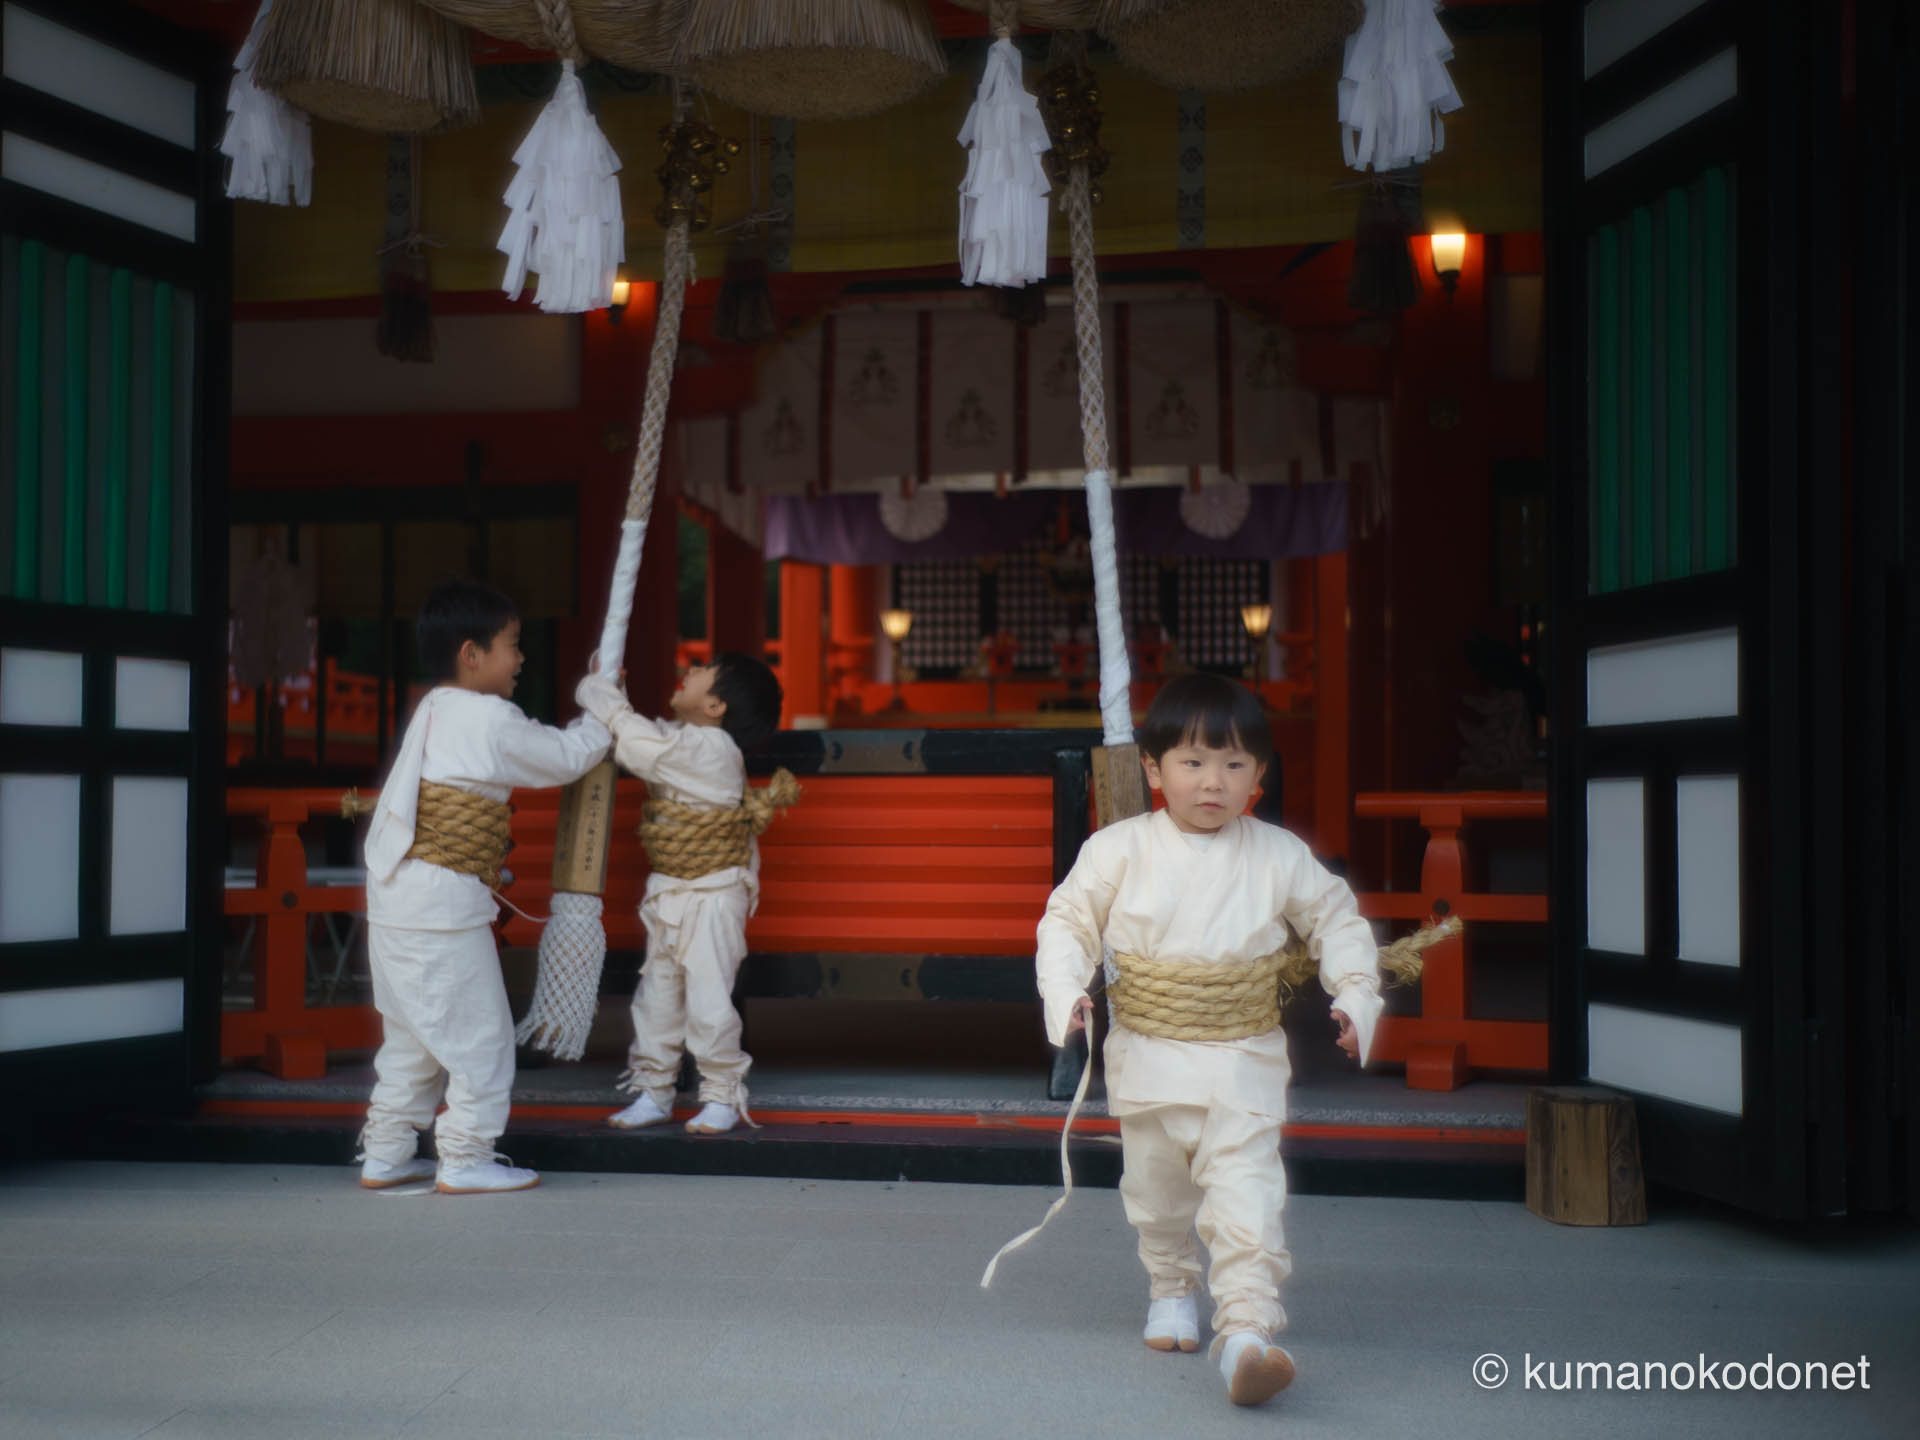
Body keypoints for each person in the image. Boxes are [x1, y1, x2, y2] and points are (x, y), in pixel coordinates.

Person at [1035, 673, 1382, 1407]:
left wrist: (1353, 991)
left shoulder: (1279, 854)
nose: (1213, 781)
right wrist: (1067, 990)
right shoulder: (1117, 848)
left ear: (1259, 776)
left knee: (1247, 1192)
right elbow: (1067, 921)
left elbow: (1336, 919)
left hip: (1241, 1059)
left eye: (1234, 763)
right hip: (1150, 1055)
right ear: (1155, 770)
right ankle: (1170, 1285)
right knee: (1156, 1190)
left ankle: (1248, 1332)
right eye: (1192, 762)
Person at [359, 579, 611, 1194]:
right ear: (472, 654)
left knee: (412, 1039)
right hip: (438, 909)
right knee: (482, 1038)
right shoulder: (490, 717)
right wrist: (605, 711)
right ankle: (466, 1155)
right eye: (512, 645)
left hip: (397, 903)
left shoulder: (434, 708)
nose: (521, 658)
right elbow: (564, 756)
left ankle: (388, 1152)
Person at [575, 652, 788, 1136]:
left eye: (702, 671)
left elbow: (641, 747)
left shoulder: (714, 748)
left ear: (715, 707)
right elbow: (647, 742)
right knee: (657, 996)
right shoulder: (686, 739)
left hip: (713, 893)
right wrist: (616, 698)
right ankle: (654, 1088)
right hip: (672, 889)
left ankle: (720, 1094)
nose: (688, 670)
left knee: (710, 998)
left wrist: (597, 692)